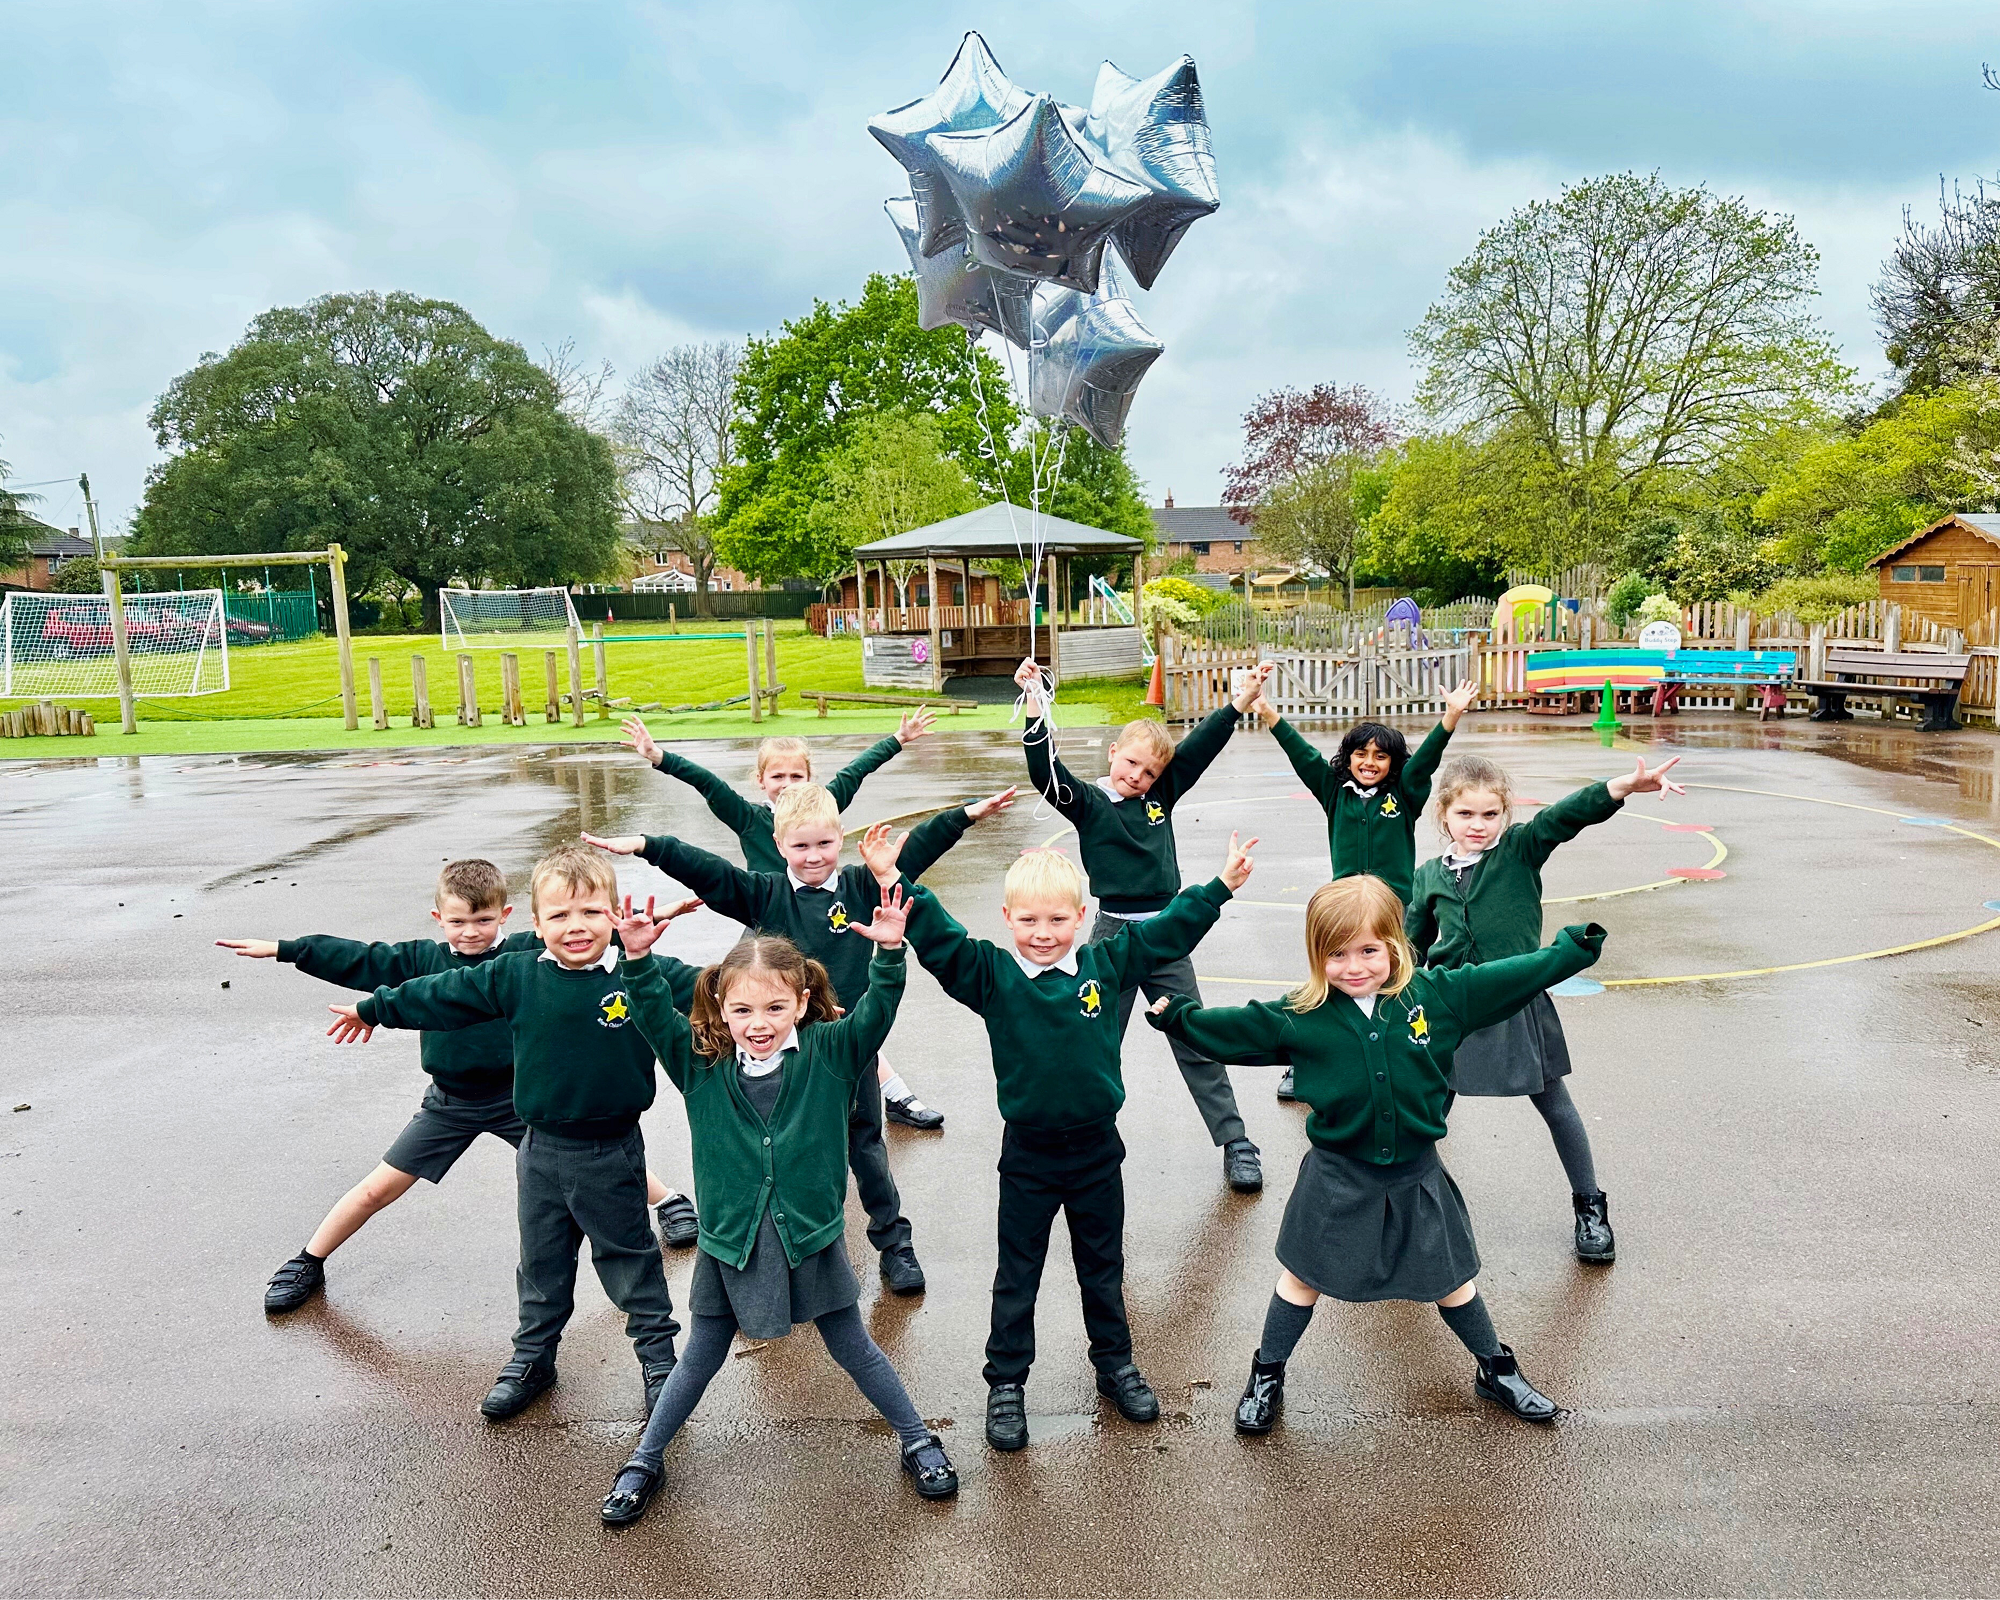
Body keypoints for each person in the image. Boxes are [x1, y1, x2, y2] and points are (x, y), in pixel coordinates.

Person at [1144, 876, 1607, 1435]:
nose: (1354, 966)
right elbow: (1232, 1030)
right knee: (1301, 1278)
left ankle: (1495, 1368)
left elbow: (1512, 976)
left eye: (1368, 950)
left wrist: (1571, 950)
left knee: (1453, 1281)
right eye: (1336, 954)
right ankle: (1267, 1374)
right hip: (1338, 1177)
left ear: (1394, 944)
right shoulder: (1301, 1015)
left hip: (1417, 1175)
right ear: (1317, 955)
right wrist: (1178, 1017)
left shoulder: (1437, 996)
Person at [887, 828, 1257, 1452]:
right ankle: (1006, 1383)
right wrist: (896, 880)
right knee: (1018, 1275)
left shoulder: (1104, 965)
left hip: (1096, 1153)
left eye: (1058, 919)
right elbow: (943, 942)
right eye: (1029, 920)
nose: (1043, 932)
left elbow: (1166, 932)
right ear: (1007, 918)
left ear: (1082, 917)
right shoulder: (992, 975)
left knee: (1103, 1268)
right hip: (1028, 1156)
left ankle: (1115, 1365)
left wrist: (1219, 886)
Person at [598, 894, 958, 1527]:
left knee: (853, 1346)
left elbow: (878, 1012)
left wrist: (889, 952)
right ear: (720, 1008)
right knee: (701, 1354)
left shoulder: (831, 1053)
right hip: (731, 1240)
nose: (758, 1022)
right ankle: (645, 1459)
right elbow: (652, 1011)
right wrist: (636, 957)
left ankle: (917, 1439)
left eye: (774, 1007)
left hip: (808, 1236)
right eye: (741, 1009)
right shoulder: (700, 1065)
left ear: (801, 1002)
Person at [583, 783, 1017, 1297]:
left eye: (824, 844)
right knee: (782, 1155)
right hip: (778, 1056)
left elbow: (917, 846)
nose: (814, 856)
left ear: (841, 837)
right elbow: (710, 872)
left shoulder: (861, 884)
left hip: (841, 1052)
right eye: (801, 846)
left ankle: (895, 1244)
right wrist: (649, 846)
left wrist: (964, 814)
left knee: (866, 1147)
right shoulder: (765, 893)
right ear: (779, 844)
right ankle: (783, 1251)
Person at [218, 859, 703, 1315]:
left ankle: (669, 1201)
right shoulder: (422, 959)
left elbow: (591, 932)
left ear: (505, 917)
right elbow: (359, 958)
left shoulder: (524, 954)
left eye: (483, 921)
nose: (471, 932)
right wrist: (288, 949)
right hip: (450, 1104)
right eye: (458, 922)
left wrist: (648, 921)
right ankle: (309, 1259)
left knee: (593, 1159)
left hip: (520, 1099)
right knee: (376, 1189)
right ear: (440, 919)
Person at [324, 847, 689, 1423]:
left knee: (630, 1261)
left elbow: (724, 988)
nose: (576, 927)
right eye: (560, 915)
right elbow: (441, 993)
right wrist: (374, 1009)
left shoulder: (642, 972)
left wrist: (802, 1006)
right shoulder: (515, 973)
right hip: (538, 1149)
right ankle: (532, 1360)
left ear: (615, 915)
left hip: (611, 1150)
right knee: (541, 1265)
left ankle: (659, 1361)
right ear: (536, 924)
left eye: (591, 912)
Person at [1404, 753, 1684, 1265]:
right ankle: (1406, 1205)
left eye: (1490, 814)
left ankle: (1590, 1206)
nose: (1478, 825)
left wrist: (1622, 785)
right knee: (1427, 1109)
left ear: (1505, 814)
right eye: (1465, 814)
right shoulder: (1428, 875)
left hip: (1515, 999)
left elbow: (1564, 816)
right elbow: (1411, 944)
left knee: (1554, 1104)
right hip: (1451, 1006)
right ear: (1443, 813)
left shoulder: (1519, 849)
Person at [1012, 654, 1273, 1193]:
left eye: (1149, 772)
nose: (1137, 777)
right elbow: (1045, 772)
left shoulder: (1160, 796)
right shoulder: (1087, 802)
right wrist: (1036, 703)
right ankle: (1082, 1132)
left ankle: (1236, 1140)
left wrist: (1240, 701)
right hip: (1111, 938)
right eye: (1131, 763)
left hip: (1165, 937)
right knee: (1094, 1036)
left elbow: (1200, 746)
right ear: (1113, 753)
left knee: (1194, 1035)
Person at [620, 713, 947, 1131]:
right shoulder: (751, 818)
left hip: (824, 922)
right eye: (778, 776)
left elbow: (856, 771)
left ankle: (893, 1093)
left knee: (844, 1017)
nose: (788, 783)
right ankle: (758, 1089)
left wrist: (898, 739)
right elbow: (709, 785)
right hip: (768, 923)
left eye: (797, 775)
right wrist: (659, 757)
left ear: (811, 779)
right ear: (761, 781)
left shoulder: (820, 807)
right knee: (756, 1002)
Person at [1250, 679, 1479, 1102]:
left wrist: (1451, 716)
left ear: (1393, 763)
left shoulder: (1404, 794)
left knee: (1399, 978)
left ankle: (1412, 1052)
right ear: (1349, 758)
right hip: (1344, 908)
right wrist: (1267, 712)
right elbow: (1302, 754)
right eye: (1361, 753)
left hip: (1393, 909)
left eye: (1380, 756)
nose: (1369, 762)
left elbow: (1425, 762)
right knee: (1334, 979)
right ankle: (1305, 1060)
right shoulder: (1334, 792)